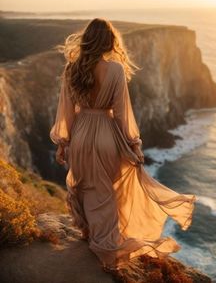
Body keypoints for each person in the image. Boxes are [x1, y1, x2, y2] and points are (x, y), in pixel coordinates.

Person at [49, 18, 197, 271]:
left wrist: (64, 144)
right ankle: (106, 249)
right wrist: (134, 144)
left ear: (86, 40)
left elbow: (66, 113)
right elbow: (121, 113)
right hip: (107, 136)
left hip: (81, 135)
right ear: (109, 42)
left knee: (86, 187)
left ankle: (91, 236)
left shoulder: (71, 69)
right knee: (107, 193)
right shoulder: (115, 70)